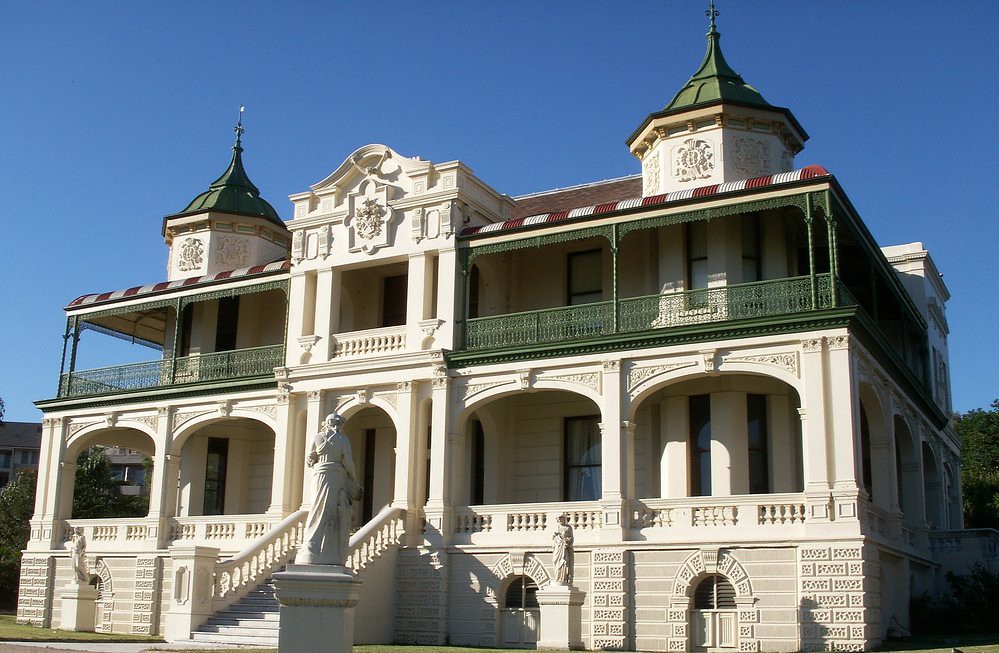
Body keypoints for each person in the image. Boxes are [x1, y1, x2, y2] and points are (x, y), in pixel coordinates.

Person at [295, 412, 362, 566]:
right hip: (335, 476)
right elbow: (349, 461)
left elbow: (309, 460)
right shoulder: (342, 439)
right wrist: (354, 479)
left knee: (319, 510)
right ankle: (320, 547)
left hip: (319, 475)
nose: (339, 426)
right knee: (327, 510)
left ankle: (313, 546)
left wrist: (317, 458)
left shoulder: (317, 438)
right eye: (338, 423)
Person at [552, 513, 574, 585]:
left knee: (564, 562)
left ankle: (563, 578)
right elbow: (553, 538)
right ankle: (557, 578)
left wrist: (566, 540)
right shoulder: (556, 527)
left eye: (561, 519)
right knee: (556, 562)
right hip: (557, 548)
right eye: (558, 519)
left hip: (564, 548)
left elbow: (571, 539)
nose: (560, 520)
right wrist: (555, 535)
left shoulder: (568, 528)